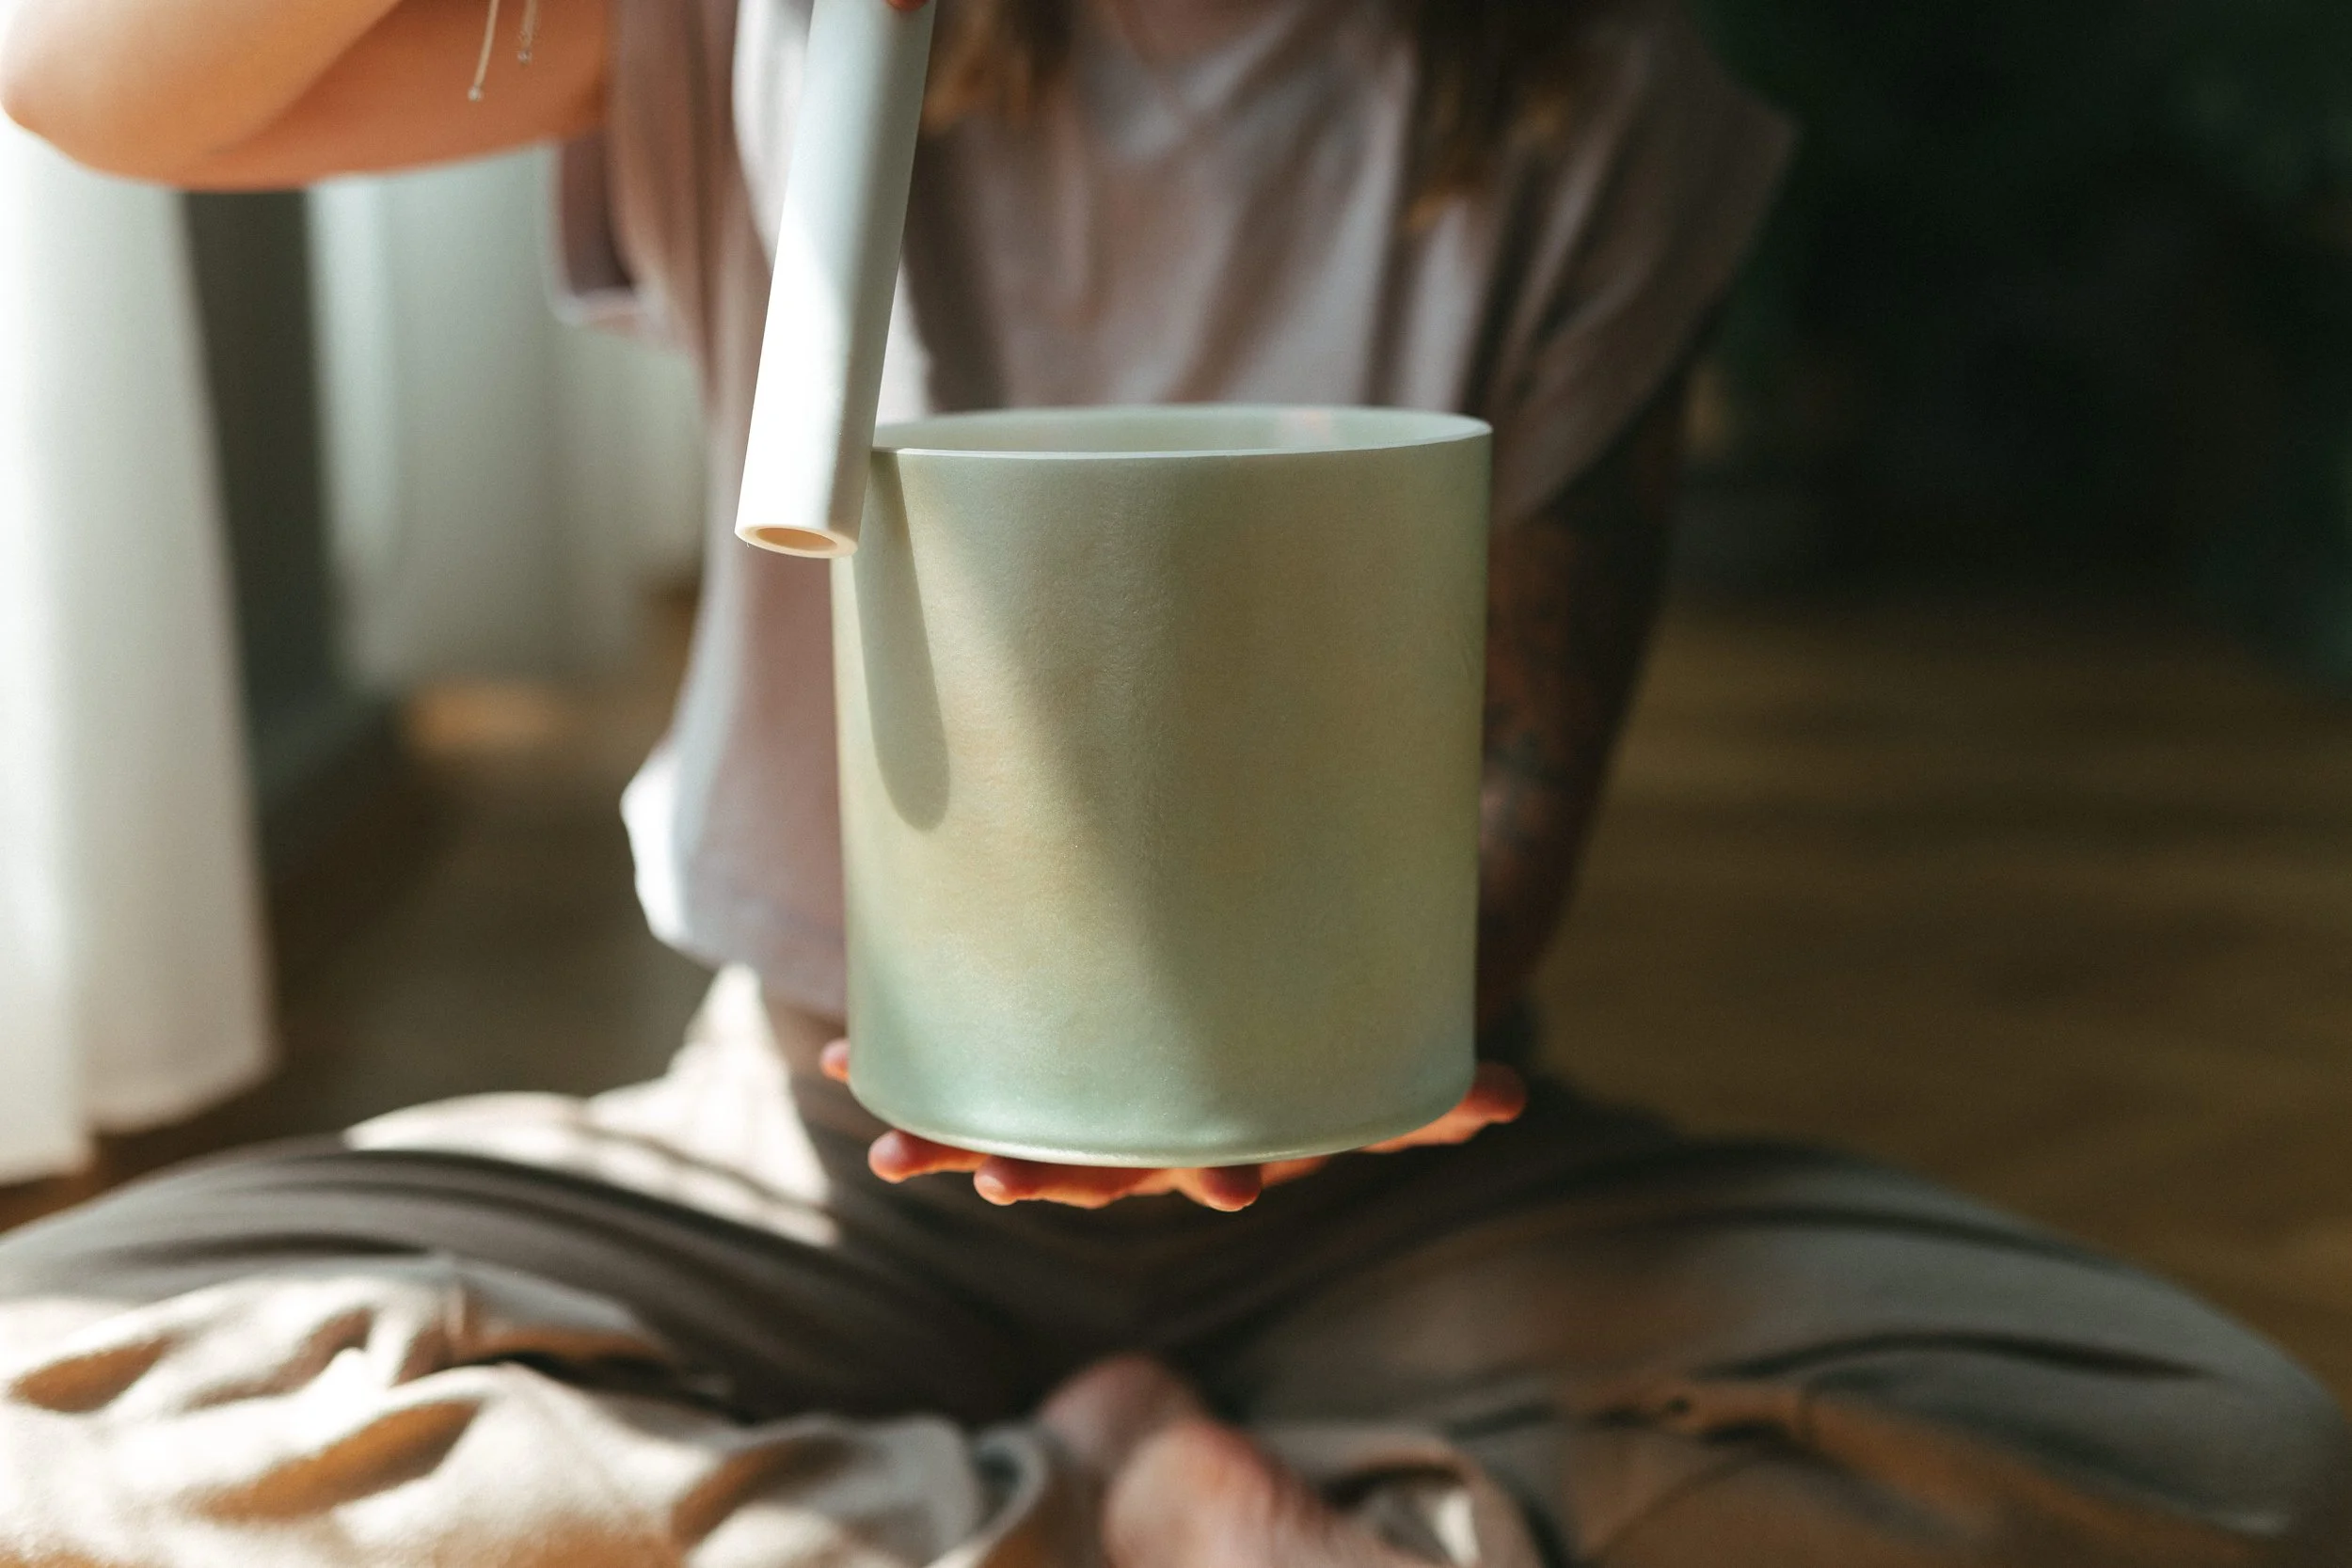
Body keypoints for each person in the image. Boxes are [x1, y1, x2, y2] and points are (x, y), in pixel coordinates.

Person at [1, 0, 2346, 1562]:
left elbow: (1515, 789)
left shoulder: (1601, 113)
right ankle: (1122, 1497)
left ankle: (889, 1510)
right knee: (52, 1393)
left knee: (2219, 1455)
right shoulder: (779, 31)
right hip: (801, 1157)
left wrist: (1282, 1049)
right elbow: (90, 80)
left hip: (1382, 1173)